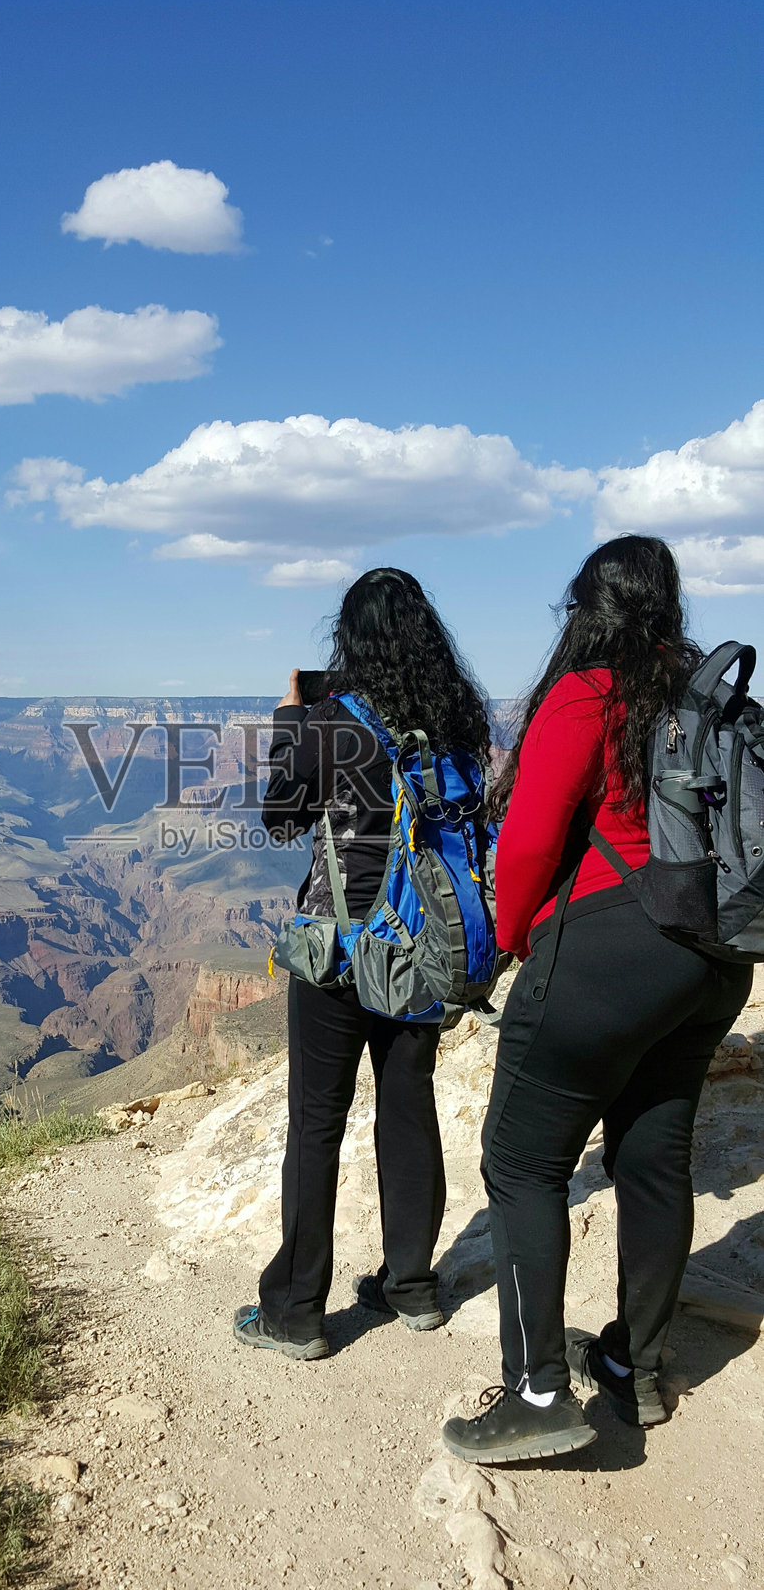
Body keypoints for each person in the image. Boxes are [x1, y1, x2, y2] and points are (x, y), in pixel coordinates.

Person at [442, 535, 754, 1464]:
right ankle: (634, 1367)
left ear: (586, 607)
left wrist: (512, 938)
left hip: (611, 947)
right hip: (712, 954)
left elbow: (530, 839)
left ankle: (536, 1393)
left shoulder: (589, 693)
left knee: (519, 1161)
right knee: (654, 1160)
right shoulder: (702, 692)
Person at [233, 567, 492, 1360]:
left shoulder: (332, 722)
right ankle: (411, 1287)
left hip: (337, 954)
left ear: (348, 641)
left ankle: (295, 1313)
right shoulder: (455, 722)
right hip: (421, 947)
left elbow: (281, 818)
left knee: (316, 1122)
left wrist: (289, 718)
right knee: (407, 1108)